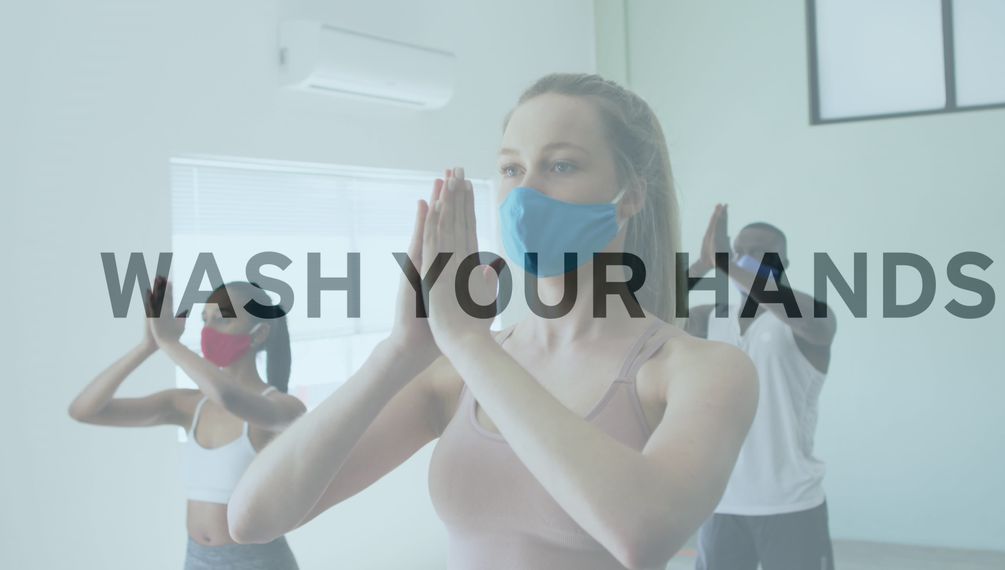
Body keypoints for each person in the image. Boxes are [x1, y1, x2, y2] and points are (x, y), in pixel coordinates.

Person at [227, 72, 759, 570]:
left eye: (561, 166)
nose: (526, 194)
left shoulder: (701, 370)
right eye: (511, 169)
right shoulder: (456, 374)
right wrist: (399, 352)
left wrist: (469, 343)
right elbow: (253, 518)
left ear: (632, 194)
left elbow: (644, 533)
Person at [69, 277, 306, 569]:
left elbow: (229, 398)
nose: (209, 329)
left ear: (260, 333)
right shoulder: (188, 405)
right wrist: (148, 346)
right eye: (205, 319)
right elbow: (84, 410)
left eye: (223, 319)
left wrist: (170, 342)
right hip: (196, 559)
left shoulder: (283, 408)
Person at [686, 204, 838, 570]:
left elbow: (808, 320)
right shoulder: (709, 318)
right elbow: (645, 309)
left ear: (783, 263)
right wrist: (705, 263)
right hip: (721, 503)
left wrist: (727, 263)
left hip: (792, 503)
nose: (745, 258)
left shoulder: (810, 315)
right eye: (739, 250)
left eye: (759, 252)